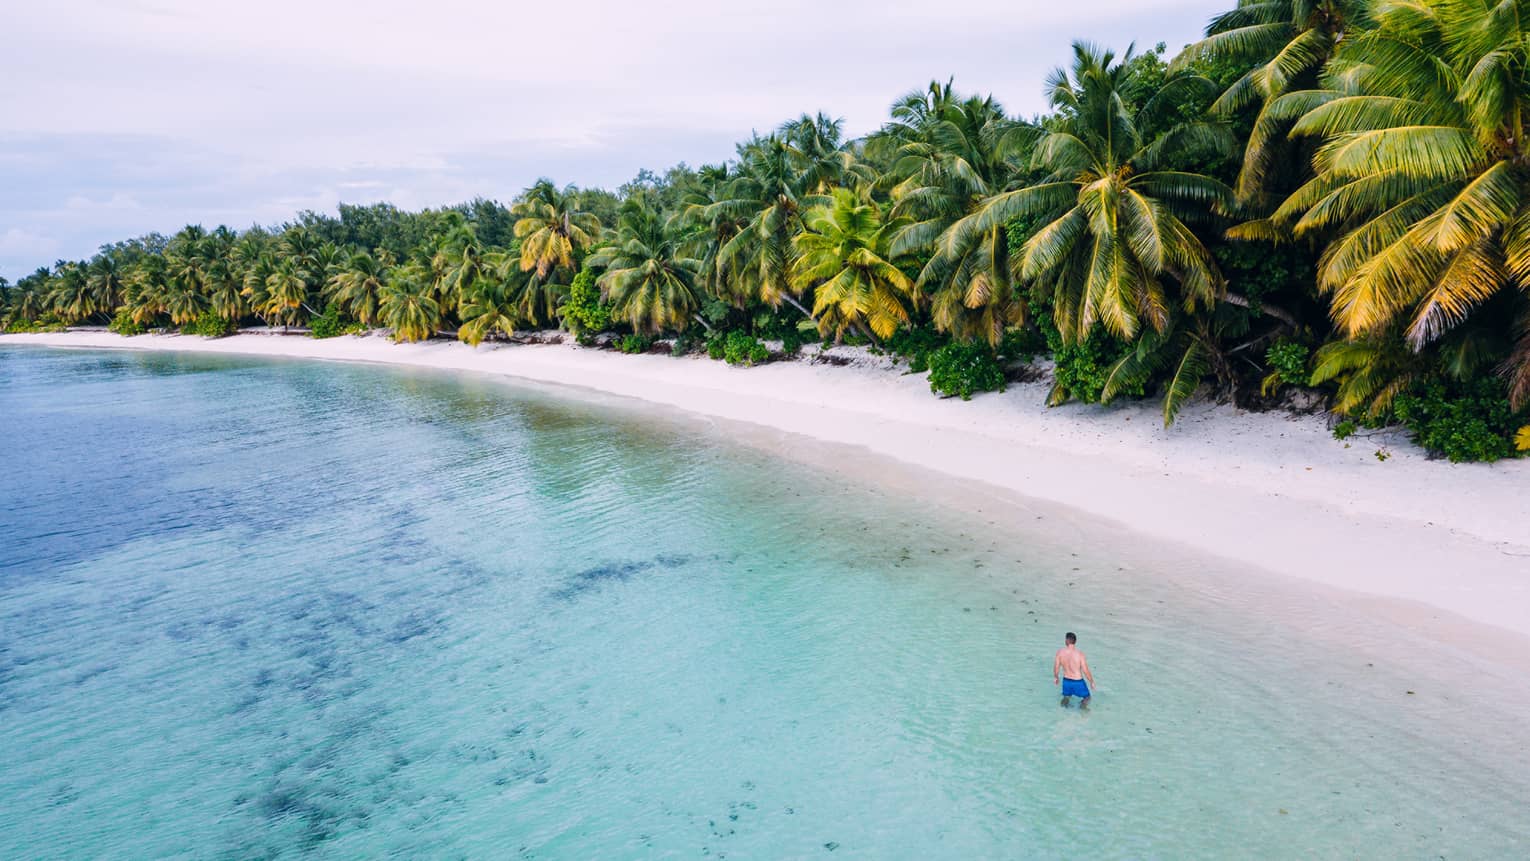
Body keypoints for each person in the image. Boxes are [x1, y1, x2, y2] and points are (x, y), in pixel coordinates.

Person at [1053, 632, 1095, 709]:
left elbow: (1056, 667)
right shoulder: (1079, 654)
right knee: (1087, 698)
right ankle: (1082, 708)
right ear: (1075, 641)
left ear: (1067, 640)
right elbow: (1085, 670)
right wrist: (1091, 681)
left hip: (1066, 681)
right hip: (1077, 681)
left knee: (1066, 697)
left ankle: (1063, 711)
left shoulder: (1060, 653)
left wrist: (1056, 677)